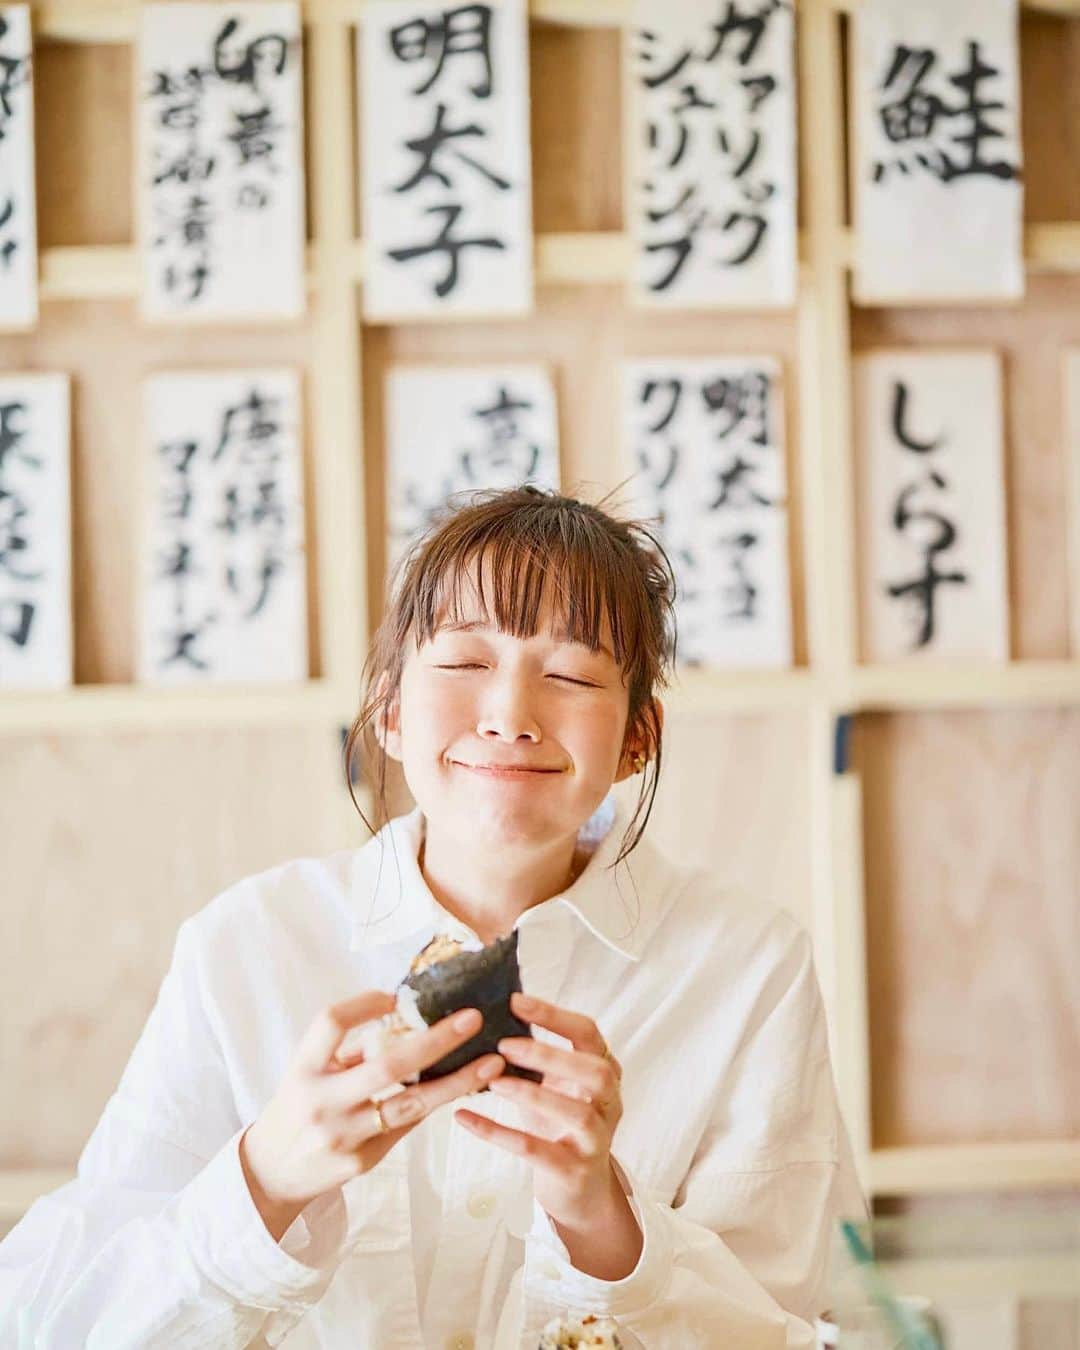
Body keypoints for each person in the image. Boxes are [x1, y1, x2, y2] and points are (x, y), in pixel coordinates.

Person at [0, 485, 865, 1348]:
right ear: (389, 708)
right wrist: (269, 1174)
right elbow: (54, 1323)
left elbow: (796, 1324)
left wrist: (604, 1225)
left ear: (638, 735)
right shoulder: (247, 944)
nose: (510, 717)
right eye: (462, 664)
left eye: (569, 675)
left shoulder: (749, 966)